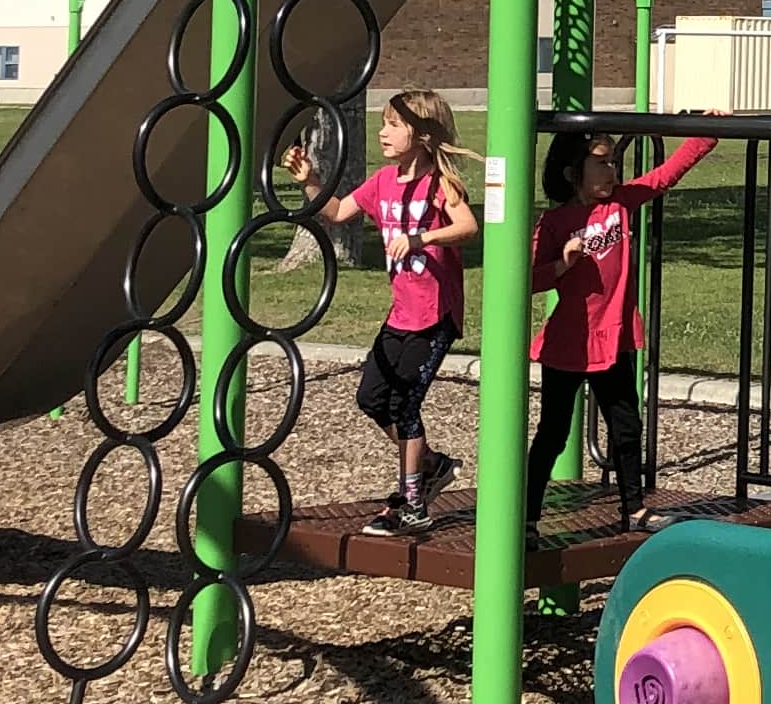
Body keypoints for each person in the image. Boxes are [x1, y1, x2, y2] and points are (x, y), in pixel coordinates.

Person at [293, 89, 479, 535]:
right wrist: (310, 180)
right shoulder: (381, 183)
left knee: (406, 405)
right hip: (400, 316)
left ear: (421, 132)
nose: (383, 132)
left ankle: (411, 503)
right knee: (372, 400)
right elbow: (338, 212)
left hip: (435, 316)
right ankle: (430, 465)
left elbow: (468, 226)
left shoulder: (440, 184)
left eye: (394, 124)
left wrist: (422, 239)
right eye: (383, 123)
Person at [525, 127, 720, 533]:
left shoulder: (621, 204)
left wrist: (705, 133)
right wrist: (563, 264)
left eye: (613, 161)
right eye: (601, 162)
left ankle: (634, 509)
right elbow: (530, 278)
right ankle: (526, 515)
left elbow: (665, 175)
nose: (612, 170)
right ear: (571, 173)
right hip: (569, 343)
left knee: (626, 428)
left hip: (613, 338)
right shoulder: (555, 222)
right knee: (553, 434)